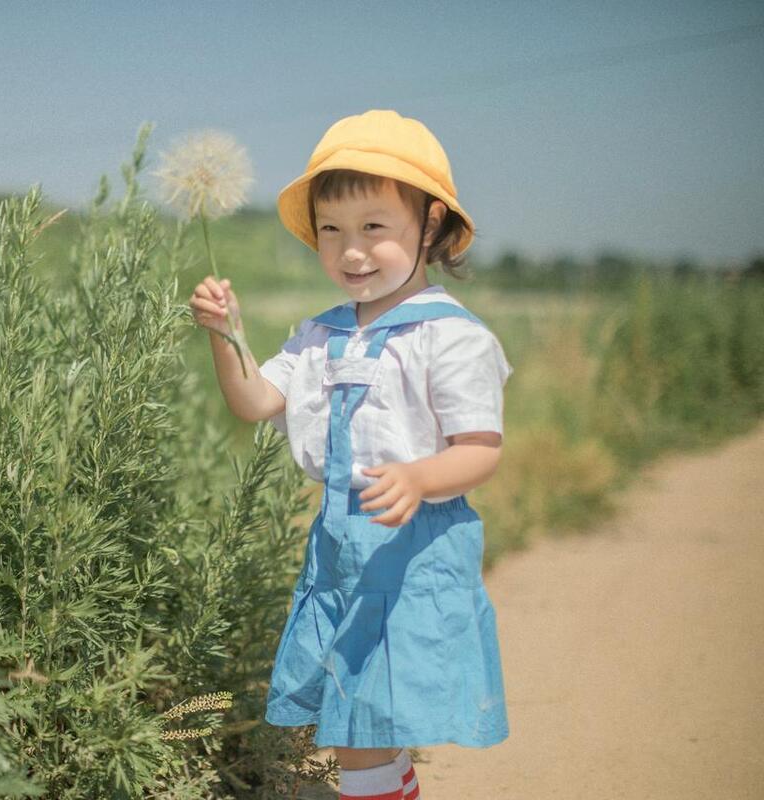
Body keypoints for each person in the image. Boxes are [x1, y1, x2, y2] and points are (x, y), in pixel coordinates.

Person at [189, 109, 512, 800]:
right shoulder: (319, 334)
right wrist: (226, 335)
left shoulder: (450, 337)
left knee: (364, 727)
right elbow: (254, 401)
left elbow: (480, 448)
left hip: (411, 552)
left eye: (374, 228)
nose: (351, 251)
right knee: (350, 723)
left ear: (429, 225)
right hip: (338, 550)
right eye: (331, 231)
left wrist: (420, 476)